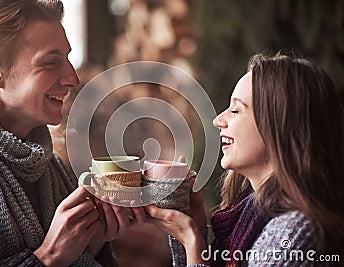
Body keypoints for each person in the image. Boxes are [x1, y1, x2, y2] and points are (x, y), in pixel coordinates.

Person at [0, 0, 146, 266]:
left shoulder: (52, 169)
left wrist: (92, 246)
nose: (72, 78)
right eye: (51, 62)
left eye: (67, 58)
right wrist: (49, 256)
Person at [145, 53, 344, 266]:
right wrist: (192, 232)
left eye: (236, 110)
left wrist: (193, 241)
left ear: (279, 126)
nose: (218, 120)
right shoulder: (245, 219)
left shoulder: (294, 234)